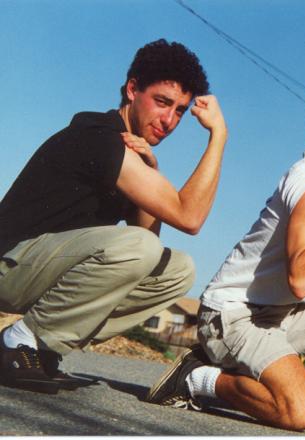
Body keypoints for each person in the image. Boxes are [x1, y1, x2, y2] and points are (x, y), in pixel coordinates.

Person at [146, 74, 305, 434]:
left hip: (281, 313)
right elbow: (302, 280)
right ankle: (196, 377)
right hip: (234, 316)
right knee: (300, 412)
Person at [0, 39, 227, 395]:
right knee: (139, 248)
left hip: (43, 271)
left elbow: (148, 246)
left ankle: (45, 346)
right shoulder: (100, 137)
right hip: (10, 264)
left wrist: (151, 170)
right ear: (133, 89)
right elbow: (190, 217)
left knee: (177, 270)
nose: (169, 120)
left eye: (180, 111)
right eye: (162, 102)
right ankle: (19, 341)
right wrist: (218, 136)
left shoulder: (131, 153)